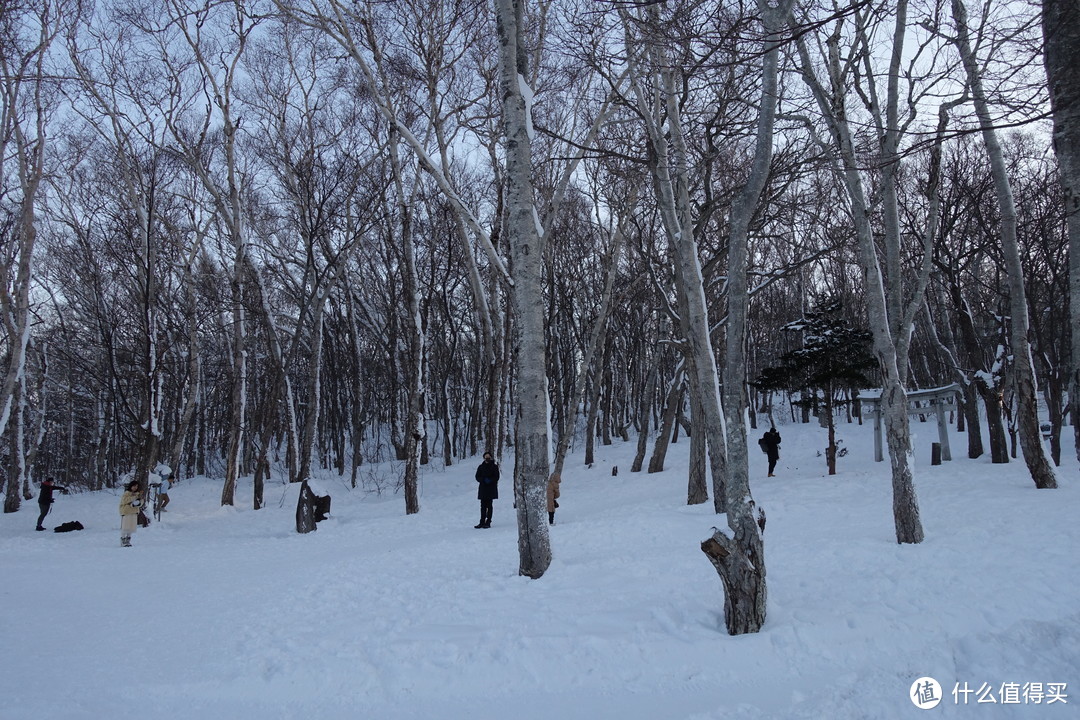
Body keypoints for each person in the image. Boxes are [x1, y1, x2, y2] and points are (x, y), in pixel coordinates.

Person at [474, 451, 500, 529]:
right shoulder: (481, 467)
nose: (487, 458)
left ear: (491, 457)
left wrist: (490, 480)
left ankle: (488, 521)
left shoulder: (494, 466)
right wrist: (483, 480)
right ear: (484, 457)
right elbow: (477, 476)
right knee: (483, 506)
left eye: (489, 456)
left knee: (489, 505)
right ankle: (481, 522)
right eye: (486, 456)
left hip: (491, 488)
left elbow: (497, 477)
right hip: (483, 488)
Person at [119, 480, 142, 547]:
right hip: (127, 512)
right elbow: (124, 501)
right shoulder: (127, 493)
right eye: (134, 486)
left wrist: (139, 503)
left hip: (134, 512)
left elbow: (141, 501)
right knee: (125, 526)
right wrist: (133, 498)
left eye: (136, 486)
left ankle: (128, 540)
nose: (135, 487)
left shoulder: (138, 494)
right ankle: (123, 539)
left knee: (131, 527)